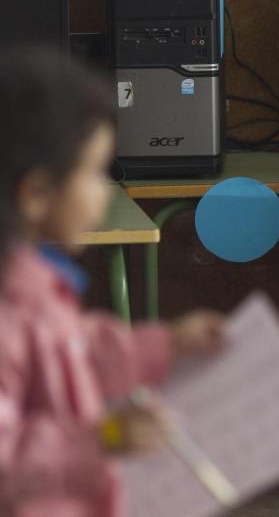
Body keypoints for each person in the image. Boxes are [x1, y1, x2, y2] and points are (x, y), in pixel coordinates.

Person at [0, 50, 226, 516]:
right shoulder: (9, 310)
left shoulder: (37, 285)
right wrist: (104, 437)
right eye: (95, 172)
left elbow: (80, 352)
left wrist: (167, 345)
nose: (106, 189)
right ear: (37, 192)